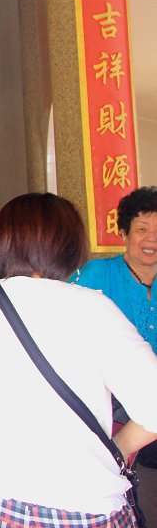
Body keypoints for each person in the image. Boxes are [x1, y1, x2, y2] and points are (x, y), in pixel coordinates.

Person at [0, 193, 157, 527]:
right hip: (82, 504)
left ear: (1, 242)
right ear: (69, 245)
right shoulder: (92, 308)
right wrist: (117, 450)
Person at [71, 186, 157, 467]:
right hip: (113, 407)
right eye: (142, 228)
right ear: (123, 234)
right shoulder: (96, 275)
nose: (151, 239)